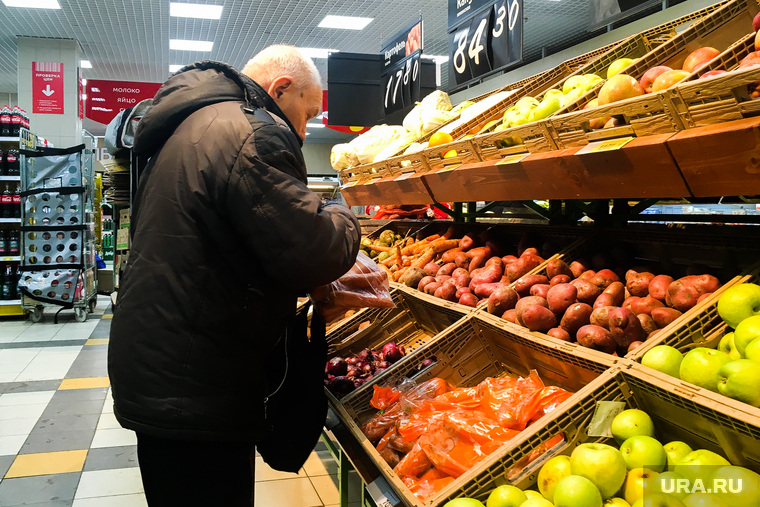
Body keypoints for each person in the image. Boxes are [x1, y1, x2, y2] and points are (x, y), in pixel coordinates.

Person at [108, 45, 361, 506]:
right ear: (280, 89)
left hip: (165, 367)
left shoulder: (191, 125)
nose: (304, 132)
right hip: (198, 384)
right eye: (306, 114)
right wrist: (343, 215)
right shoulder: (249, 134)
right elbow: (314, 251)